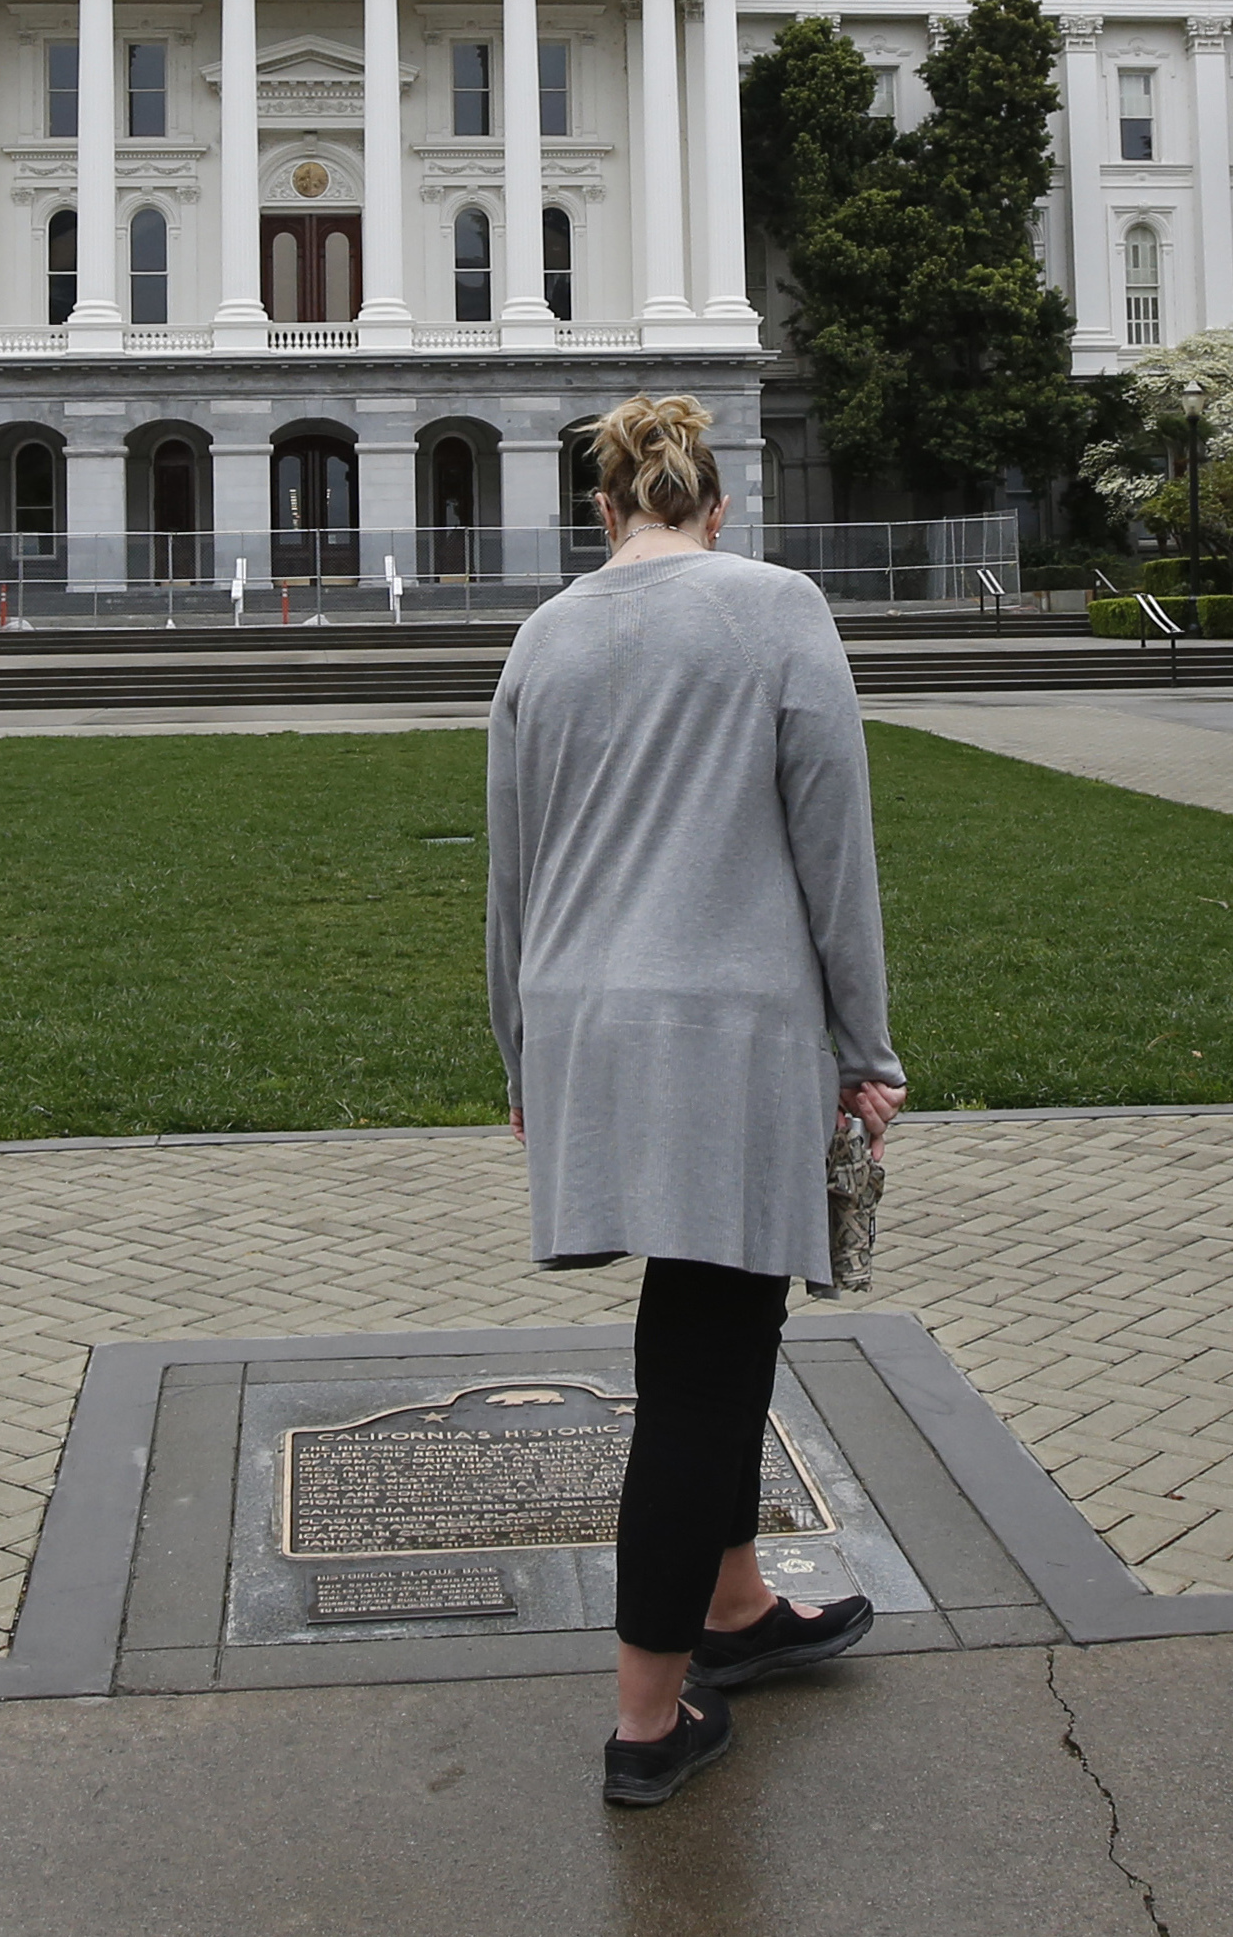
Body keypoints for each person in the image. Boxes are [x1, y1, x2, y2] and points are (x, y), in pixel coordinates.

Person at [486, 391, 905, 1808]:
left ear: (605, 510)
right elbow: (833, 843)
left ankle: (736, 1603)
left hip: (582, 1019)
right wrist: (867, 1047)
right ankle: (647, 1716)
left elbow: (509, 872)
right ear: (716, 508)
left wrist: (519, 1057)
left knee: (723, 1325)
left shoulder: (545, 633)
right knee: (701, 1363)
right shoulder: (776, 607)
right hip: (730, 1024)